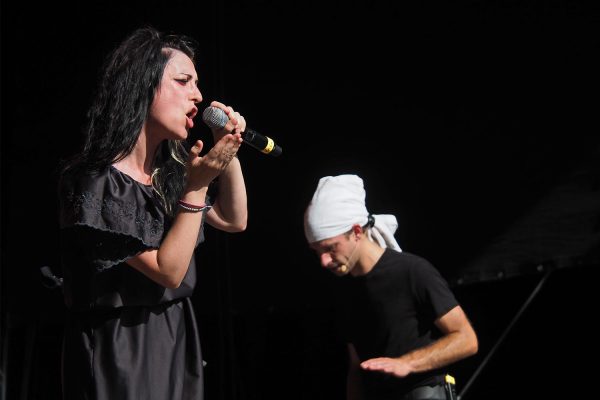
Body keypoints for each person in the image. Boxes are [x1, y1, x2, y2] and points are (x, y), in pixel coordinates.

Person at [57, 26, 248, 400]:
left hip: (174, 334)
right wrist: (197, 186)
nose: (198, 95)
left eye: (197, 83)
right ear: (143, 86)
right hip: (122, 347)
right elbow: (169, 270)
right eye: (183, 81)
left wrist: (227, 150)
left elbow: (233, 220)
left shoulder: (167, 173)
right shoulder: (94, 183)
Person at [304, 174, 478, 400]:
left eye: (330, 248)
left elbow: (466, 339)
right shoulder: (344, 289)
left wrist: (408, 363)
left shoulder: (412, 271)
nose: (324, 261)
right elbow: (356, 368)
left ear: (357, 232)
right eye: (316, 251)